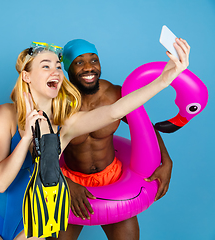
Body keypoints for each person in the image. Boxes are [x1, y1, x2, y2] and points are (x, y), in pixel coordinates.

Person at [0, 38, 189, 240]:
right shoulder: (7, 114)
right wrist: (26, 139)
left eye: (58, 67)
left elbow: (116, 111)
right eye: (46, 66)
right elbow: (0, 183)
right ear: (27, 76)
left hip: (34, 221)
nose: (56, 71)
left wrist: (165, 79)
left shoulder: (67, 123)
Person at [55, 39, 178, 240]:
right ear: (68, 68)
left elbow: (145, 127)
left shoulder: (114, 94)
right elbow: (40, 149)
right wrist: (64, 183)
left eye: (94, 60)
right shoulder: (58, 102)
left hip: (112, 178)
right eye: (79, 62)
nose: (89, 68)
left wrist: (167, 161)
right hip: (71, 179)